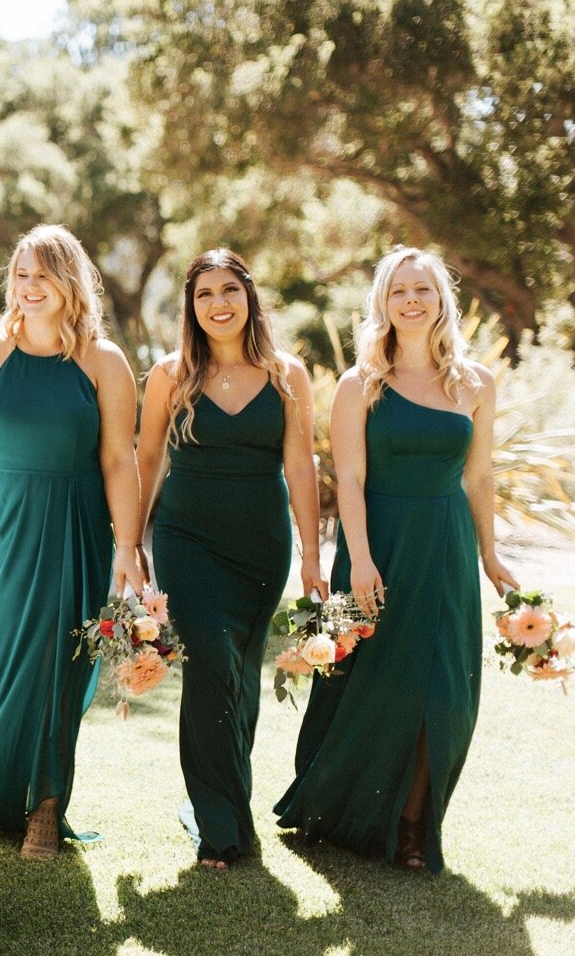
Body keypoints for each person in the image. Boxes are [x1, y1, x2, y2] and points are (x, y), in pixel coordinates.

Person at [275, 246, 517, 873]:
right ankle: (340, 809)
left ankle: (413, 823)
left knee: (447, 690)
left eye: (424, 290)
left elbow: (480, 476)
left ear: (443, 301)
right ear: (382, 302)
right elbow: (348, 479)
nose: (412, 301)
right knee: (369, 683)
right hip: (376, 544)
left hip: (446, 548)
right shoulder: (361, 384)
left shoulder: (475, 383)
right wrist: (358, 558)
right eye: (400, 291)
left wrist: (490, 555)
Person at [0, 224, 145, 858]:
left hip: (71, 528)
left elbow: (118, 459)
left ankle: (46, 806)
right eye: (22, 276)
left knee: (59, 665)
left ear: (70, 282)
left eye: (44, 275)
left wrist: (127, 546)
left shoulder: (104, 362)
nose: (30, 288)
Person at [135, 248, 323, 869]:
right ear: (190, 307)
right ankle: (219, 825)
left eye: (229, 291)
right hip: (187, 539)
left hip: (261, 545)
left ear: (249, 298)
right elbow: (147, 461)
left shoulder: (286, 374)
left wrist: (312, 558)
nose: (218, 304)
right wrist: (131, 542)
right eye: (204, 294)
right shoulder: (170, 375)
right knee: (212, 660)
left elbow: (300, 464)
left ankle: (225, 803)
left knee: (239, 676)